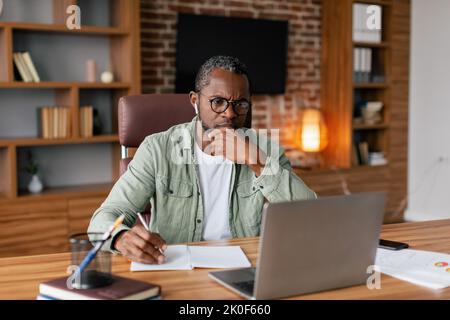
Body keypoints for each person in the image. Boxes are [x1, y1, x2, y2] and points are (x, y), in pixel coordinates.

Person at [88, 55, 316, 264]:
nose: (229, 113)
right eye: (218, 101)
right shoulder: (158, 148)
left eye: (241, 104)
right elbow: (102, 219)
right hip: (176, 264)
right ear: (195, 101)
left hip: (245, 265)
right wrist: (120, 238)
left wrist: (255, 162)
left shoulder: (266, 149)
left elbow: (311, 214)